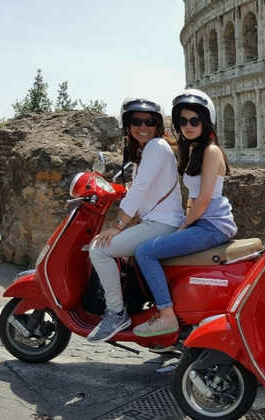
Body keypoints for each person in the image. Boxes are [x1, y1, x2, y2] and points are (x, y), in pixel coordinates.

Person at [132, 89, 236, 337]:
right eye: (183, 121)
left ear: (206, 122)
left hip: (213, 225)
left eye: (194, 121)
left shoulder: (211, 151)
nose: (188, 126)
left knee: (145, 252)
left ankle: (166, 315)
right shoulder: (192, 150)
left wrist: (183, 226)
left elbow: (204, 199)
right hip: (202, 222)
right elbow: (191, 197)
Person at [87, 98, 183, 343]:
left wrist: (117, 225)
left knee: (99, 250)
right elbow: (141, 187)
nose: (143, 126)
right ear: (128, 125)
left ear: (157, 125)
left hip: (161, 224)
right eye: (136, 121)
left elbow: (140, 189)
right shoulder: (149, 150)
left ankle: (116, 313)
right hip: (160, 221)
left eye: (149, 121)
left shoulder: (155, 147)